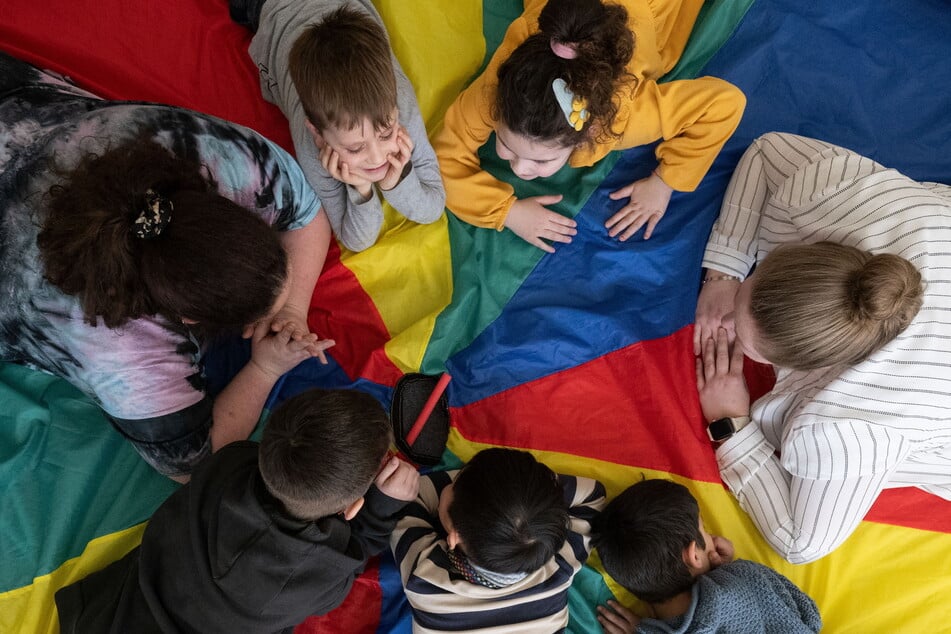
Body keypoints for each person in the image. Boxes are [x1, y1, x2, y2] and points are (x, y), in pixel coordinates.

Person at [0, 52, 334, 480]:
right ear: (186, 317)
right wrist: (264, 369)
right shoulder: (122, 353)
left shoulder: (216, 158)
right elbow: (196, 462)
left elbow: (306, 216)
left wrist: (291, 309)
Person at [694, 132, 951, 563]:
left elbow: (801, 542)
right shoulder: (847, 201)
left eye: (748, 339)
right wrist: (724, 274)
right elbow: (768, 151)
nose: (728, 323)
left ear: (810, 366)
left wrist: (729, 423)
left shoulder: (850, 427)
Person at [55, 388, 420, 633]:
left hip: (108, 616)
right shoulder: (318, 577)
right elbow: (356, 552)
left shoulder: (228, 463)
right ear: (354, 507)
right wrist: (383, 508)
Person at [434, 0, 745, 252]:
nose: (520, 170)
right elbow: (443, 159)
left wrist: (664, 182)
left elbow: (724, 105)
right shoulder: (497, 92)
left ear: (587, 135)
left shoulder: (627, 118)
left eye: (542, 160)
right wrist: (506, 211)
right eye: (505, 145)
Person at [230, 0, 445, 252]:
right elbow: (357, 240)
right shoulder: (311, 146)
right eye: (355, 148)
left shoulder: (399, 106)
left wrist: (394, 183)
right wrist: (361, 189)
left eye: (386, 134)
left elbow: (433, 206)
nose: (378, 157)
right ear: (318, 135)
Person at [390, 447, 606, 632]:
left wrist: (480, 486)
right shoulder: (559, 569)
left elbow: (407, 497)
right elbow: (593, 495)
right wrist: (532, 494)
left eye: (455, 483)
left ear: (454, 536)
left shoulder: (425, 579)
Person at [593, 479, 821, 634]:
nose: (711, 536)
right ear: (694, 555)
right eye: (704, 529)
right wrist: (729, 569)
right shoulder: (745, 578)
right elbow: (806, 612)